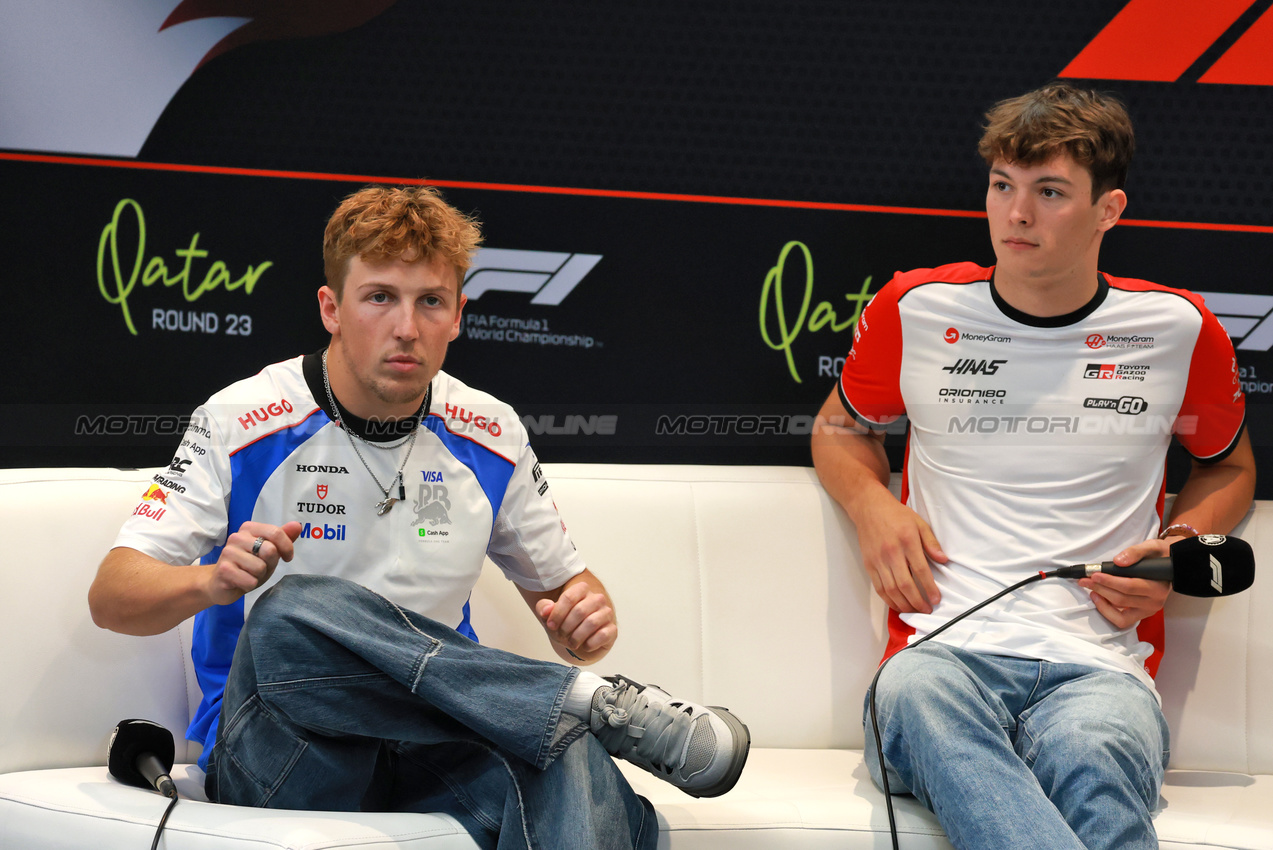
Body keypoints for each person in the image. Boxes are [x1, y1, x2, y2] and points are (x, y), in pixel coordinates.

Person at [88, 185, 750, 850]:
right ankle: (582, 700)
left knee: (566, 752)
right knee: (289, 612)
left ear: (458, 315)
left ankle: (580, 712)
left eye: (430, 301)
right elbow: (112, 597)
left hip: (433, 742)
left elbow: (572, 604)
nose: (406, 326)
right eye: (379, 297)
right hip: (284, 749)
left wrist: (584, 626)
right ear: (331, 309)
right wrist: (210, 583)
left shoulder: (490, 431)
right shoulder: (242, 419)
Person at [810, 82, 1255, 850]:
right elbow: (839, 428)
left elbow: (1228, 467)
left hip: (1102, 670)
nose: (1015, 214)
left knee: (1095, 759)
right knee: (915, 701)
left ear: (1107, 209)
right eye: (1001, 185)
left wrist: (1175, 546)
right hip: (938, 655)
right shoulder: (914, 307)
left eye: (1048, 192)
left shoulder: (1176, 327)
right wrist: (870, 504)